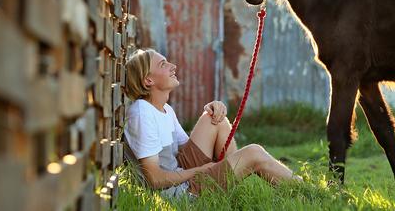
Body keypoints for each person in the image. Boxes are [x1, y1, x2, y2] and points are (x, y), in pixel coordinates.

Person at [123, 48, 301, 198]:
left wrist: (213, 110)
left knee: (215, 119)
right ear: (148, 80)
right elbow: (155, 179)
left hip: (182, 173)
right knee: (253, 152)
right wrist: (200, 171)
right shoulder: (142, 114)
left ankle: (233, 180)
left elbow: (189, 150)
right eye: (163, 64)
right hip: (180, 194)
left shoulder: (165, 110)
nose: (173, 66)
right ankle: (306, 190)